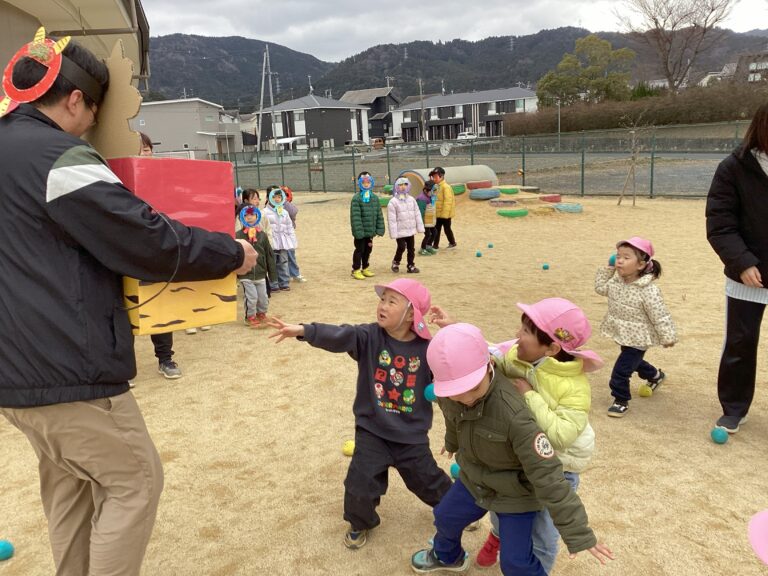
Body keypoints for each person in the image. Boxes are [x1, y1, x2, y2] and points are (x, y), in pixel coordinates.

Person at [0, 37, 257, 576]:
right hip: (69, 365)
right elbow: (147, 239)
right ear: (75, 101)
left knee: (70, 488)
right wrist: (232, 252)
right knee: (135, 481)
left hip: (15, 372)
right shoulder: (58, 157)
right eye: (95, 111)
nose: (93, 124)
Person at [410, 323, 613, 575]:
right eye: (455, 392)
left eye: (473, 387)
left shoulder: (515, 415)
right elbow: (453, 418)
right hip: (474, 478)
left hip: (517, 494)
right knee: (445, 516)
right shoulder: (447, 393)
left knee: (515, 562)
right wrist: (452, 442)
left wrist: (579, 533)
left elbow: (548, 474)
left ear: (489, 365)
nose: (465, 398)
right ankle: (447, 556)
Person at [268, 279, 452, 550]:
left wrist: (453, 329)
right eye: (382, 299)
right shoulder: (369, 337)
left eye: (392, 301)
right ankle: (360, 522)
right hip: (372, 431)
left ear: (412, 314)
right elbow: (339, 335)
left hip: (410, 435)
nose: (383, 305)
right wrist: (304, 331)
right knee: (359, 484)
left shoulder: (429, 350)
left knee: (428, 480)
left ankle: (457, 509)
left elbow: (457, 367)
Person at [706, 102, 768, 434]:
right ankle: (734, 407)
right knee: (741, 343)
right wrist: (742, 262)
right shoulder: (733, 168)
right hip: (749, 274)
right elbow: (720, 224)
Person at [595, 237, 677, 418]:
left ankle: (620, 399)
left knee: (621, 371)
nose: (619, 260)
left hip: (639, 338)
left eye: (626, 257)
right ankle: (655, 376)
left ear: (640, 265)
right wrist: (608, 270)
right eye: (618, 256)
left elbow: (660, 314)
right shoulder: (616, 281)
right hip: (624, 333)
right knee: (633, 361)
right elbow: (600, 288)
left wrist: (667, 336)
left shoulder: (648, 289)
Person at [138, 132, 183, 377]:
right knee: (123, 308)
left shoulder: (162, 177)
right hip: (125, 250)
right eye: (141, 149)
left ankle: (165, 359)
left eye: (148, 148)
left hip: (154, 250)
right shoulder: (114, 176)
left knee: (159, 305)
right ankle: (123, 366)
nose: (146, 153)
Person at [236, 205, 276, 328]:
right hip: (245, 273)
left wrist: (272, 274)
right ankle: (250, 317)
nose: (249, 218)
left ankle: (261, 313)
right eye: (246, 215)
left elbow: (269, 254)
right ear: (242, 218)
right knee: (251, 297)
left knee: (263, 296)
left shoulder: (262, 235)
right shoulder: (237, 235)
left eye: (252, 215)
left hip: (261, 273)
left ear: (257, 216)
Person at [350, 171, 385, 280]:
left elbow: (379, 214)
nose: (366, 184)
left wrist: (379, 229)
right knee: (359, 249)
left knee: (368, 250)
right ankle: (356, 269)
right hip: (361, 232)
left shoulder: (374, 198)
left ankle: (365, 267)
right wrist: (358, 232)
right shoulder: (356, 199)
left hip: (370, 231)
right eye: (363, 182)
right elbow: (355, 217)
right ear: (359, 183)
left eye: (368, 182)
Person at [387, 177, 424, 274]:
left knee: (411, 248)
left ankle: (411, 265)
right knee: (401, 247)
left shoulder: (412, 200)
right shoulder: (393, 202)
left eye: (405, 184)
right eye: (400, 185)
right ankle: (396, 262)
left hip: (410, 229)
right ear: (396, 186)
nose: (403, 187)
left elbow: (417, 213)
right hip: (400, 231)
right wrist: (394, 233)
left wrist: (420, 227)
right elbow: (392, 220)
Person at [263, 185, 297, 291]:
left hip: (283, 241)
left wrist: (291, 240)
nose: (276, 199)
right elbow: (263, 228)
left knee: (283, 261)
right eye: (274, 197)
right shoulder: (264, 212)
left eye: (279, 197)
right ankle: (274, 284)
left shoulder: (284, 212)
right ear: (269, 198)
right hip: (271, 241)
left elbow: (289, 227)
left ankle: (284, 282)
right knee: (272, 263)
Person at [281, 185, 307, 283]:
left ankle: (294, 273)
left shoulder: (285, 205)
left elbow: (294, 211)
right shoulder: (271, 207)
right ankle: (286, 275)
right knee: (282, 256)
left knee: (290, 254)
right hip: (279, 235)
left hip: (288, 233)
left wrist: (285, 201)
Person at [429, 166, 456, 251]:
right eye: (433, 177)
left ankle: (452, 242)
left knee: (447, 229)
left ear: (441, 176)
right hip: (437, 213)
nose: (434, 178)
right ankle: (435, 245)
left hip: (445, 214)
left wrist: (445, 214)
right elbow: (433, 199)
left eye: (436, 176)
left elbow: (448, 201)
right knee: (436, 230)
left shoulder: (446, 187)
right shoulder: (435, 187)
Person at [417, 178, 438, 256]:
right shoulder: (421, 199)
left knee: (435, 232)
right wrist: (421, 223)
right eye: (431, 191)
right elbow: (420, 212)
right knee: (428, 234)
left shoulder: (431, 197)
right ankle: (422, 249)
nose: (433, 193)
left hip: (430, 220)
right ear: (426, 190)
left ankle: (428, 246)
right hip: (425, 221)